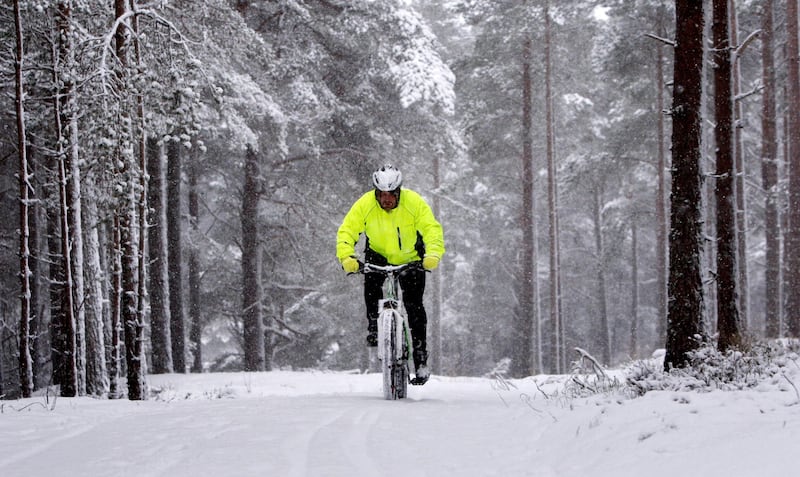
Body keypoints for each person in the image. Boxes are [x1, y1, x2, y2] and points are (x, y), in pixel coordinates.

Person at [336, 164, 445, 384]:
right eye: (381, 195)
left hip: (411, 257)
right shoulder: (365, 204)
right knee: (371, 285)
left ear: (399, 192)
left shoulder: (413, 202)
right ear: (376, 193)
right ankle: (375, 327)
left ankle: (420, 359)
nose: (386, 200)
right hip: (378, 255)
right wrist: (347, 257)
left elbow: (431, 229)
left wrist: (432, 254)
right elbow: (347, 230)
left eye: (391, 195)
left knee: (414, 306)